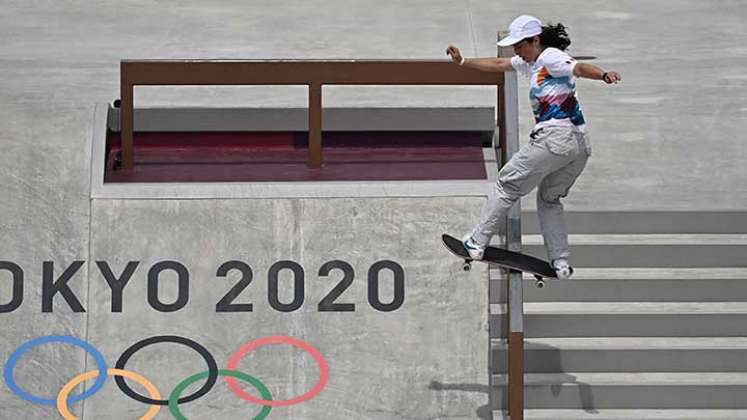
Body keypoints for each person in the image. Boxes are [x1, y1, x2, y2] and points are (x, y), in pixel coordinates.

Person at [445, 14, 621, 279]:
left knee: (506, 185)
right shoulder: (532, 63)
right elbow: (499, 62)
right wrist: (463, 62)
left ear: (535, 40)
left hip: (554, 139)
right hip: (579, 146)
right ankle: (560, 262)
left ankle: (476, 243)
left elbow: (578, 68)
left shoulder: (550, 57)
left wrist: (603, 74)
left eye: (520, 45)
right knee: (549, 199)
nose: (516, 51)